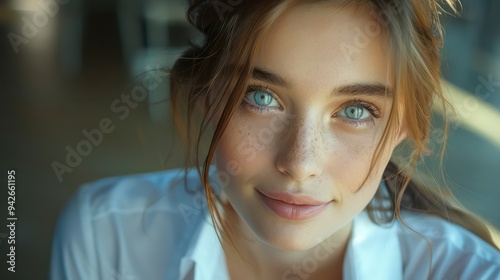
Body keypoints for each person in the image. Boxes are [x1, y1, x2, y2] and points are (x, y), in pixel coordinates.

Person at [50, 0, 500, 279]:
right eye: (260, 97)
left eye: (356, 111)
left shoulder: (470, 273)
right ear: (207, 95)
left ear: (401, 126)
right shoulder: (106, 235)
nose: (301, 163)